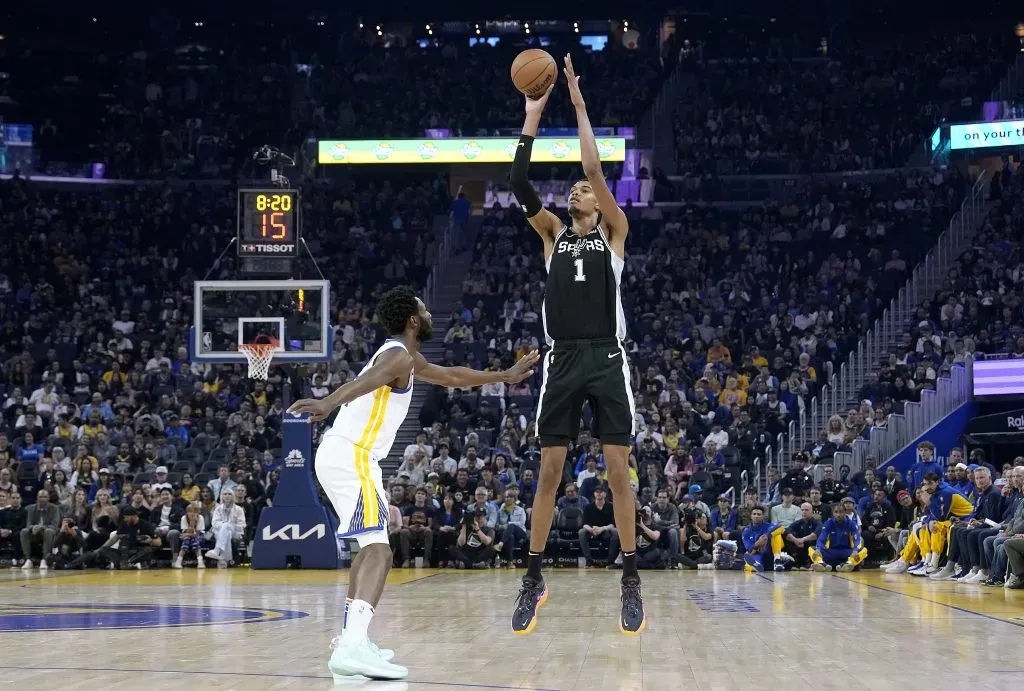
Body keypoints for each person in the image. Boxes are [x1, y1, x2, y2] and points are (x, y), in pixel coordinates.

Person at [287, 285, 537, 680]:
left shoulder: (407, 358)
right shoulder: (396, 356)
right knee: (380, 553)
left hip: (351, 456)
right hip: (352, 453)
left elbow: (452, 376)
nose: (430, 315)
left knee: (369, 549)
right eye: (425, 309)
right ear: (413, 320)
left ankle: (354, 639)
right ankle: (352, 644)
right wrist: (327, 402)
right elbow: (368, 380)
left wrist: (504, 375)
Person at [507, 55, 644, 636]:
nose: (578, 188)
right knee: (548, 473)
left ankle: (631, 577)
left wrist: (580, 106)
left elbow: (593, 164)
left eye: (585, 188)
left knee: (618, 472)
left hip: (606, 357)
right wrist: (532, 117)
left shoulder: (614, 233)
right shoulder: (553, 235)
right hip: (562, 357)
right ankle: (533, 577)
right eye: (574, 188)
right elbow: (518, 184)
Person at [810, 503, 868, 572]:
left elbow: (857, 538)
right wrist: (818, 549)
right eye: (836, 512)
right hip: (831, 552)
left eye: (841, 512)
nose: (838, 515)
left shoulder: (851, 524)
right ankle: (822, 564)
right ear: (833, 513)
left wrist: (855, 550)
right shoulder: (828, 523)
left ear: (845, 512)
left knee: (863, 550)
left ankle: (848, 564)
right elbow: (821, 538)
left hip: (847, 552)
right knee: (812, 549)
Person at [20, 489, 61, 570]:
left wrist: (42, 527)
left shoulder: (55, 508)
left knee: (48, 531)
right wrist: (33, 527)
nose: (42, 499)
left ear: (48, 498)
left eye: (45, 497)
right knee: (24, 531)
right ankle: (28, 559)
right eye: (40, 497)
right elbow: (28, 524)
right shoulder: (30, 508)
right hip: (35, 533)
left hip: (49, 533)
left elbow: (54, 525)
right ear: (37, 498)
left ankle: (44, 559)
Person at [741, 506, 791, 572]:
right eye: (754, 514)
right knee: (748, 564)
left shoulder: (768, 526)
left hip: (770, 553)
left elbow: (781, 527)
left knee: (776, 534)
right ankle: (756, 566)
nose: (756, 516)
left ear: (763, 516)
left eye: (759, 514)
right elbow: (749, 549)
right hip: (758, 553)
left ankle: (777, 561)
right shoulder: (746, 531)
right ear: (751, 516)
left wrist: (767, 536)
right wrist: (757, 544)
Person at [783, 503, 823, 569]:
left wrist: (803, 539)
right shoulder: (798, 522)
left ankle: (811, 562)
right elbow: (787, 531)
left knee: (810, 543)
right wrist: (795, 540)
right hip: (800, 546)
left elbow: (816, 534)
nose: (804, 512)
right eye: (802, 510)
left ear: (812, 512)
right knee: (792, 536)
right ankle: (797, 562)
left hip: (813, 547)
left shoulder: (817, 522)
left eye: (806, 510)